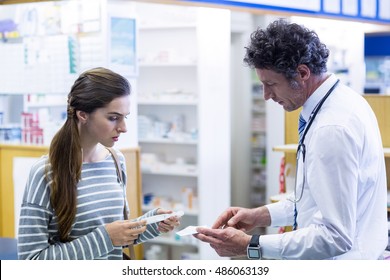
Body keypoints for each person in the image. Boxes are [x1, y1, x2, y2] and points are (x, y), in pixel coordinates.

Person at [195, 19, 388, 260]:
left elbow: (335, 236)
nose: (266, 95)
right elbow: (313, 200)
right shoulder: (345, 101)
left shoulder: (331, 128)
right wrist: (260, 215)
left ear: (303, 73)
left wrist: (251, 245)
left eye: (271, 84)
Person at [18, 67, 181, 260]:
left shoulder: (115, 161)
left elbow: (117, 236)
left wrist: (151, 223)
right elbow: (31, 260)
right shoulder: (45, 173)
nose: (123, 128)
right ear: (83, 114)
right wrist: (106, 237)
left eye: (124, 117)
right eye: (113, 118)